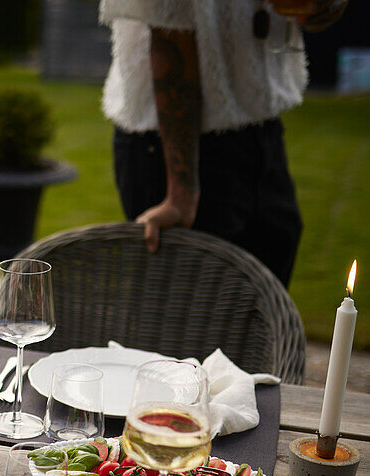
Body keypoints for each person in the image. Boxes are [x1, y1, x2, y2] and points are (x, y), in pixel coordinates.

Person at [100, 0, 347, 287]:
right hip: (174, 147)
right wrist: (181, 194)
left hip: (259, 128)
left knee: (267, 292)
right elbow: (170, 27)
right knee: (193, 313)